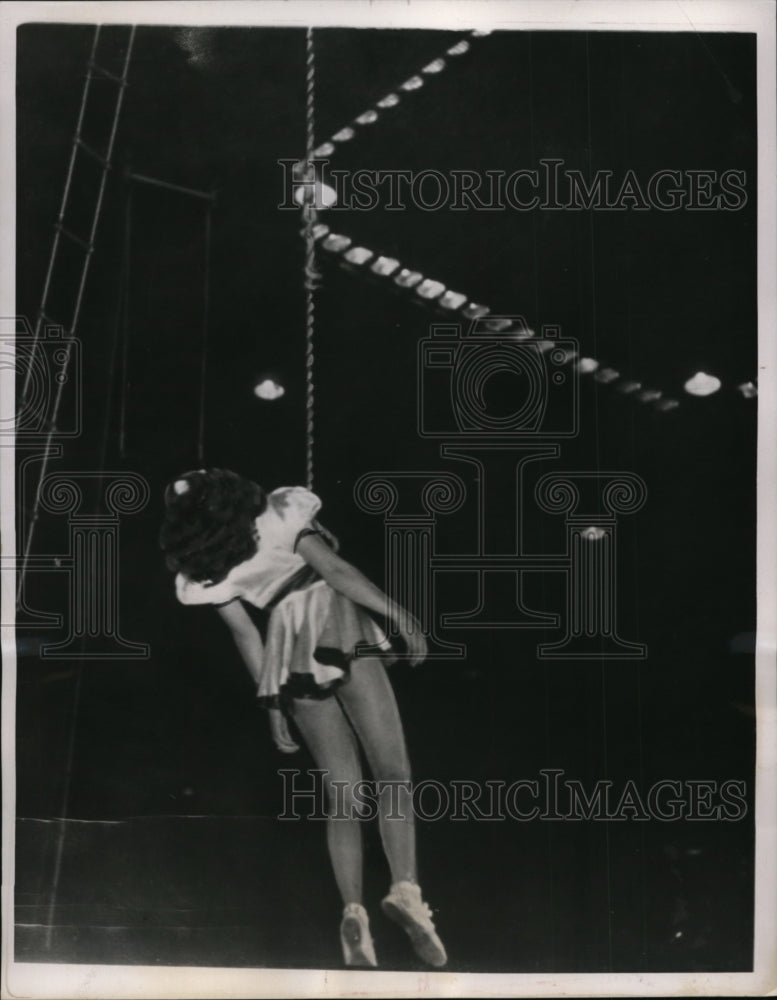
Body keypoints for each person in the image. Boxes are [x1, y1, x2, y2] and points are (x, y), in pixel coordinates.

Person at [159, 468, 447, 968]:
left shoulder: (205, 569)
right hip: (336, 619)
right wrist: (401, 615)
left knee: (344, 793)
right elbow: (335, 572)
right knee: (393, 773)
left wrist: (273, 702)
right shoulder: (280, 512)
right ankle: (405, 891)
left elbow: (246, 636)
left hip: (287, 646)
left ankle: (353, 910)